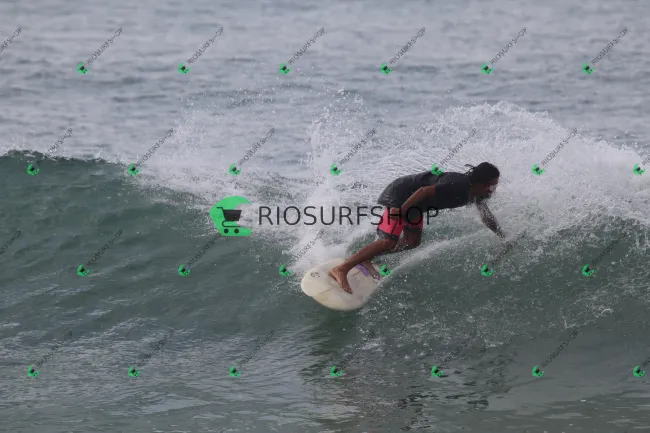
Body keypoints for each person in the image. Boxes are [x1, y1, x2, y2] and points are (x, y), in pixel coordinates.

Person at [329, 162, 504, 293]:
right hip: (401, 195)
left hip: (416, 205)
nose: (493, 190)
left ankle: (365, 258)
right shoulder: (458, 185)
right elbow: (423, 191)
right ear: (481, 183)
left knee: (412, 241)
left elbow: (486, 217)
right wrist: (401, 211)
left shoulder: (476, 195)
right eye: (491, 185)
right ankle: (341, 269)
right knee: (388, 241)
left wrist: (502, 236)